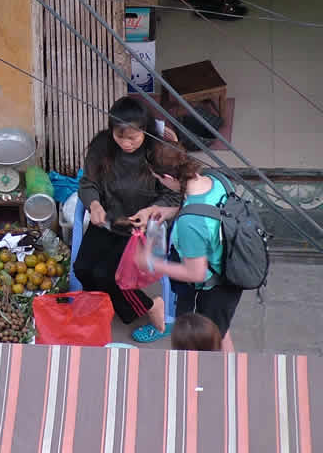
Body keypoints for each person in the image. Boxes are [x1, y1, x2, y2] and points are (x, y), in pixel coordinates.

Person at [75, 96, 181, 343]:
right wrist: (94, 204)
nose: (126, 143)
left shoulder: (159, 153)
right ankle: (113, 306)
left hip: (142, 228)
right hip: (108, 220)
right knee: (82, 268)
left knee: (108, 275)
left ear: (145, 131)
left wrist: (151, 212)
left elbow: (174, 198)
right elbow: (87, 183)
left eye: (133, 138)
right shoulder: (102, 147)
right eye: (119, 136)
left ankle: (151, 306)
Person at [133, 142, 243, 352]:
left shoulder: (189, 223)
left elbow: (196, 272)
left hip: (212, 289)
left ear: (168, 178)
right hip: (230, 271)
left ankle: (218, 379)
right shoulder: (216, 180)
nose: (160, 182)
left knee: (207, 342)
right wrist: (168, 211)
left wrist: (151, 263)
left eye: (157, 178)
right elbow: (210, 212)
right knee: (221, 330)